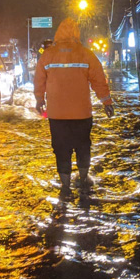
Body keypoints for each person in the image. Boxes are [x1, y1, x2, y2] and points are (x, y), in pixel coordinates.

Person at [34, 18, 115, 196]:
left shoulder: (47, 55)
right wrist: (107, 103)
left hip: (57, 115)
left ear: (58, 33)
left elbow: (39, 80)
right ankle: (84, 179)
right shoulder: (86, 54)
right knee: (83, 146)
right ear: (76, 33)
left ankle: (65, 187)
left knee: (61, 149)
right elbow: (99, 80)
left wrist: (39, 100)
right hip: (82, 114)